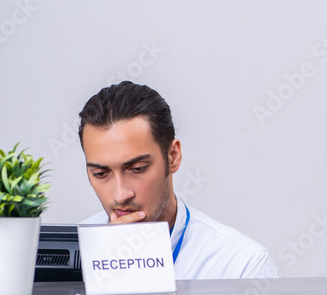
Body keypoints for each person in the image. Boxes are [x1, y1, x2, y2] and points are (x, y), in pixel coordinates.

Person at [78, 81, 278, 279]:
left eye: (137, 169)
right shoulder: (77, 252)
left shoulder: (241, 266)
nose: (121, 195)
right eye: (101, 174)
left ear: (173, 156)